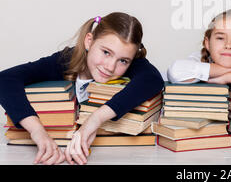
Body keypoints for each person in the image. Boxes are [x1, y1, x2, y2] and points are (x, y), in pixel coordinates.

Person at [0, 12, 164, 165]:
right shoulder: (64, 61)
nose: (110, 66)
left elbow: (153, 79)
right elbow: (5, 79)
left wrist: (95, 119)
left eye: (123, 61)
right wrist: (37, 131)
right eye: (106, 52)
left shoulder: (132, 65)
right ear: (89, 41)